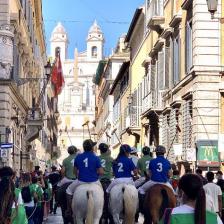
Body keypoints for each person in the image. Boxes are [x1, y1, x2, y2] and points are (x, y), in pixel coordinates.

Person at [66, 139, 104, 215]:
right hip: (95, 181)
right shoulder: (96, 158)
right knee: (102, 193)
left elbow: (75, 172)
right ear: (92, 148)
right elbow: (101, 172)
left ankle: (70, 209)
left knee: (68, 191)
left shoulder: (78, 157)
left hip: (81, 181)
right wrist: (94, 172)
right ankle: (102, 209)